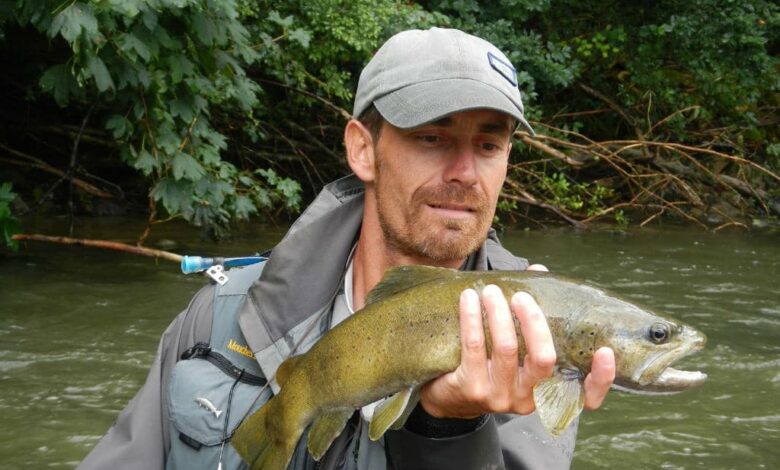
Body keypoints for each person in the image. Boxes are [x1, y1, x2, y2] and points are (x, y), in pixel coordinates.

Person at [78, 27, 615, 470]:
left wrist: (448, 429)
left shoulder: (532, 350)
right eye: (432, 137)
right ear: (362, 149)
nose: (465, 173)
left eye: (489, 144)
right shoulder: (219, 318)